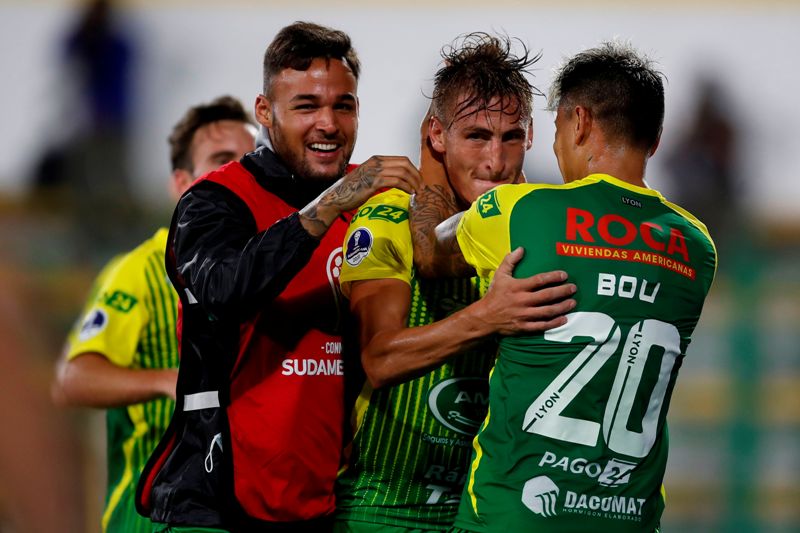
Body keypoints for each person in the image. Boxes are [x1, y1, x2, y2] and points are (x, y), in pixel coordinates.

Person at [135, 22, 424, 532]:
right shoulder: (214, 200)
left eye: (343, 105)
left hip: (325, 503)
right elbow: (224, 290)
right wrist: (333, 202)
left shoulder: (373, 204)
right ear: (265, 113)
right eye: (306, 106)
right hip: (215, 505)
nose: (328, 124)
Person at [418, 41, 717, 532]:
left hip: (515, 512)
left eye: (555, 128)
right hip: (628, 518)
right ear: (656, 139)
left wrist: (434, 154)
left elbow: (431, 253)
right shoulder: (698, 246)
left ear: (579, 123)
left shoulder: (520, 211)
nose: (553, 147)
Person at [335, 33, 577, 531]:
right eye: (477, 137)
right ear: (437, 135)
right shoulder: (386, 219)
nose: (496, 161)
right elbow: (379, 359)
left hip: (483, 512)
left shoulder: (532, 226)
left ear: (530, 137)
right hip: (382, 512)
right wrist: (488, 316)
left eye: (511, 138)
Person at [52, 95, 257, 533]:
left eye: (250, 159)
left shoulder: (269, 265)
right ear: (182, 183)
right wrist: (169, 381)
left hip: (234, 509)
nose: (241, 173)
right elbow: (73, 379)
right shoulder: (141, 270)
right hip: (150, 516)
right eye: (222, 160)